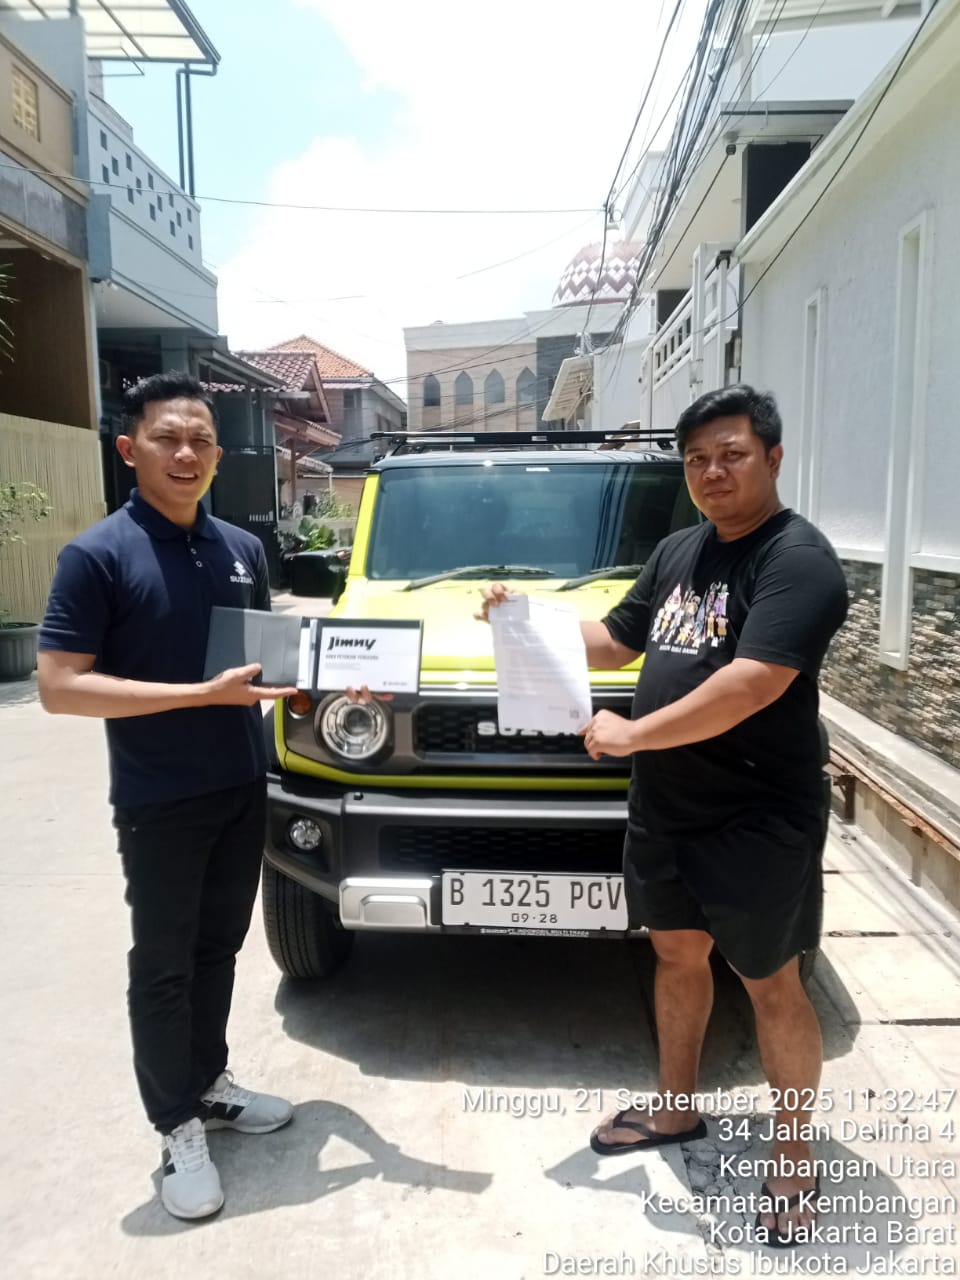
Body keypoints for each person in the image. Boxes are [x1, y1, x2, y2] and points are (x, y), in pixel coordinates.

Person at [479, 385, 848, 1248]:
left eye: (732, 455)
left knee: (770, 980)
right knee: (677, 955)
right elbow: (616, 639)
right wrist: (520, 618)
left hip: (758, 816)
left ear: (773, 459)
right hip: (668, 808)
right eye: (697, 460)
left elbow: (752, 683)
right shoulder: (681, 549)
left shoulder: (799, 560)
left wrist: (634, 732)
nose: (713, 472)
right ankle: (677, 1109)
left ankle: (794, 1156)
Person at [37, 372, 298, 1221]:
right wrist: (198, 696)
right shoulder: (97, 555)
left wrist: (320, 683)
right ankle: (175, 1123)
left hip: (241, 784)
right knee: (163, 965)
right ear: (129, 449)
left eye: (202, 440)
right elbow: (59, 687)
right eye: (168, 438)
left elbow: (264, 668)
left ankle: (209, 1082)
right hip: (160, 800)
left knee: (219, 949)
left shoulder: (242, 547)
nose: (187, 454)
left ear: (218, 454)